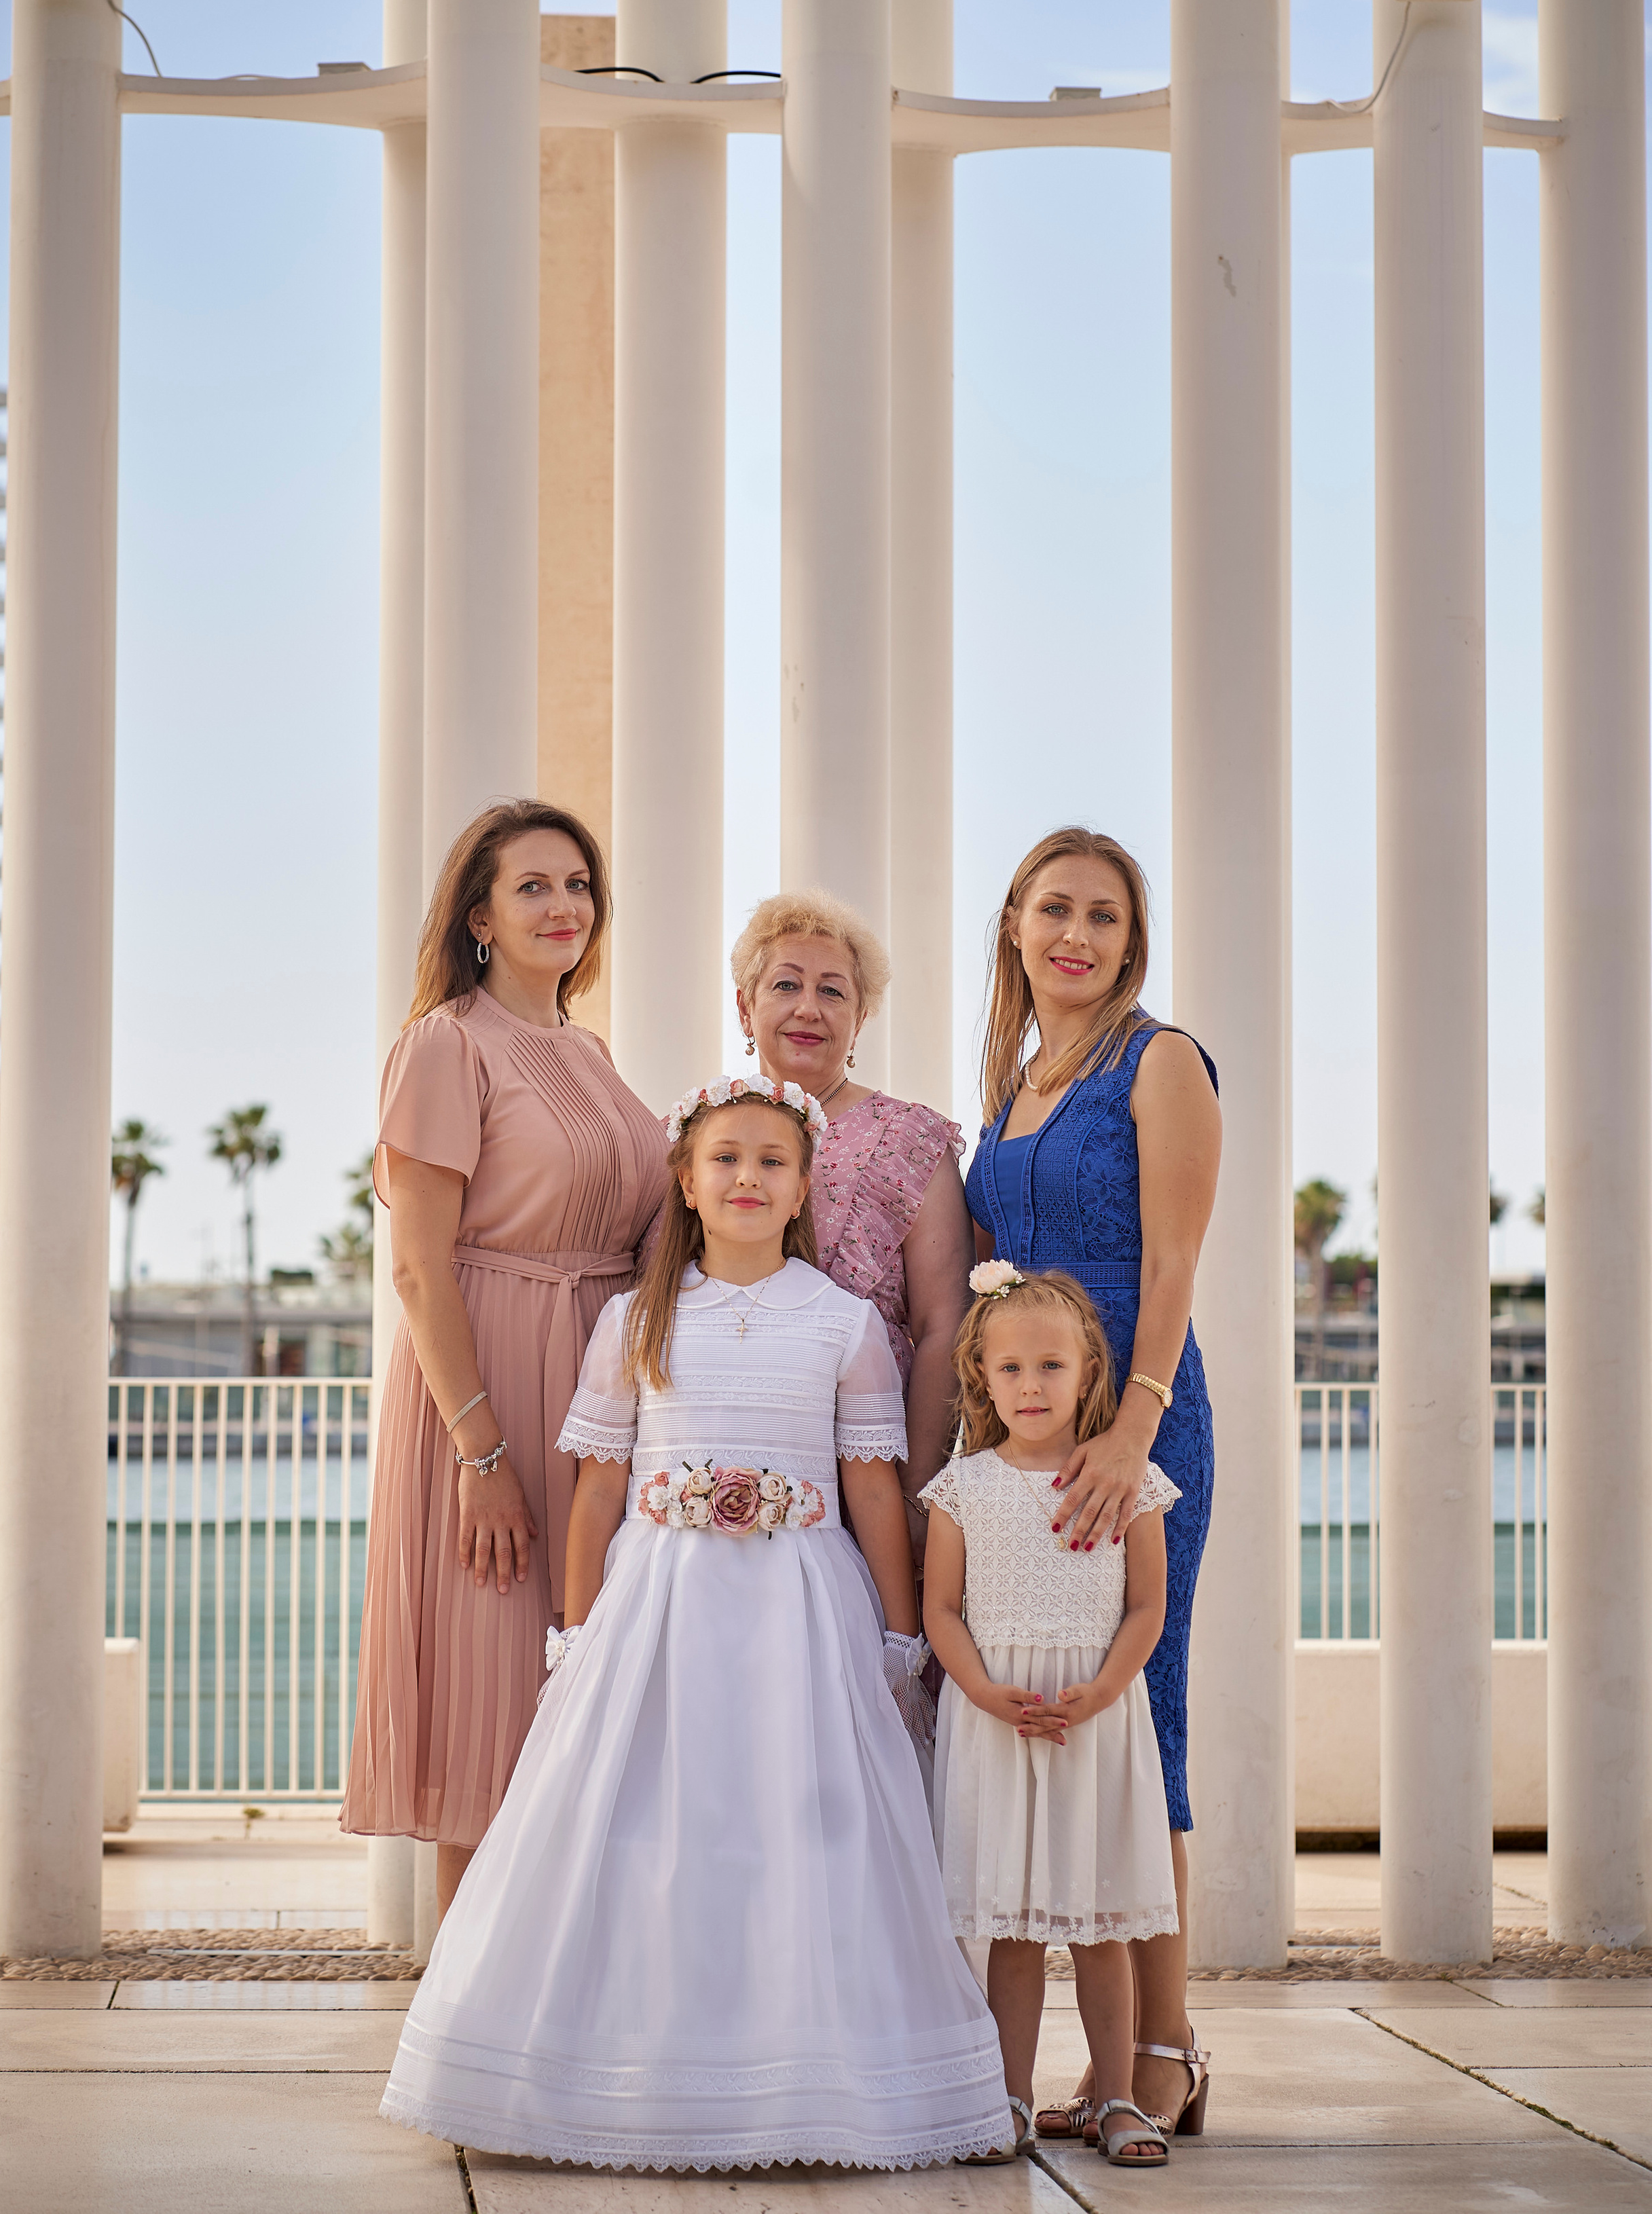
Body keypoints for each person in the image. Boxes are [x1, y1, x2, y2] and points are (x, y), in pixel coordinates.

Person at [379, 1073, 1016, 2173]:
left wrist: (900, 1639)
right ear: (684, 1178)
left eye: (773, 1161)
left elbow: (872, 1489)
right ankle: (627, 2074)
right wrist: (574, 1634)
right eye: (725, 1159)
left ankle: (806, 2081)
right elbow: (595, 1488)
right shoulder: (636, 1319)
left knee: (798, 1825)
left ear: (806, 1184)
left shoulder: (846, 1325)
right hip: (659, 1606)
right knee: (650, 1825)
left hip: (801, 1610)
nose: (748, 1178)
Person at [341, 800, 668, 1922]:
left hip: (599, 1391)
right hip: (488, 1393)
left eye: (577, 884)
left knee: (585, 1695)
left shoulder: (587, 1048)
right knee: (497, 1700)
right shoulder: (447, 1044)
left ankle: (562, 2016)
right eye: (532, 886)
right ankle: (464, 2029)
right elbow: (422, 1270)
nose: (562, 905)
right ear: (480, 914)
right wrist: (480, 1452)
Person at [966, 827, 1220, 2141]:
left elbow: (1174, 1264)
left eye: (1105, 916)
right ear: (1014, 923)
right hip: (1021, 1447)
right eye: (1054, 909)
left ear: (1131, 940)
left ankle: (1166, 2053)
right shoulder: (1011, 1083)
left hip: (1134, 1428)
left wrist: (1133, 1431)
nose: (1077, 933)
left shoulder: (1159, 1060)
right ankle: (1086, 2062)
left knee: (1140, 1732)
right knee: (1043, 1737)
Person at [921, 1263, 1188, 2169]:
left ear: (1089, 1374)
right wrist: (984, 1691)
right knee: (1015, 1933)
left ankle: (1116, 2097)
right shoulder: (963, 1489)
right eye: (1011, 1370)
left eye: (1051, 1367)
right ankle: (1008, 2099)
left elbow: (1148, 1607)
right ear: (981, 1377)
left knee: (1103, 1926)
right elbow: (941, 1613)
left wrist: (1109, 1687)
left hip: (1094, 1725)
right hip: (1001, 1725)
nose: (1031, 1387)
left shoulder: (1131, 1483)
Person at [731, 889, 972, 1531]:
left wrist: (916, 1496)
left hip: (869, 1475)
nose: (808, 1008)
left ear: (860, 1018)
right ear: (744, 1006)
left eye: (834, 991)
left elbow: (944, 1324)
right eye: (786, 985)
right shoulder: (701, 1137)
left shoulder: (911, 1139)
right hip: (721, 1462)